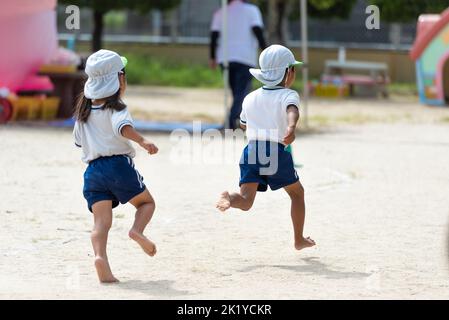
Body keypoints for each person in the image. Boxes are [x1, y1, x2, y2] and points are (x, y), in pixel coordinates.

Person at [216, 45, 315, 251]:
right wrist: (291, 126)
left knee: (245, 200)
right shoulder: (289, 95)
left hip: (251, 151)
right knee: (297, 194)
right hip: (275, 153)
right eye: (293, 69)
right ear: (287, 73)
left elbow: (243, 124)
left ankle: (228, 198)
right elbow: (291, 111)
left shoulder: (250, 97)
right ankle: (298, 239)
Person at [73, 50, 159, 283]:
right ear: (119, 79)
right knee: (146, 203)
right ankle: (137, 231)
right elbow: (123, 128)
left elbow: (79, 142)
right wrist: (142, 141)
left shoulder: (83, 112)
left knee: (101, 223)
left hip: (92, 172)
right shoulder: (118, 108)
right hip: (118, 166)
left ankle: (100, 258)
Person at [210, 0, 267, 129]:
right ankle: (232, 121)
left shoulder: (220, 12)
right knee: (241, 92)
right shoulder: (252, 10)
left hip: (224, 57)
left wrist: (212, 57)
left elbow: (214, 36)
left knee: (236, 92)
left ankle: (235, 120)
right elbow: (258, 31)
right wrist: (266, 51)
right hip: (245, 56)